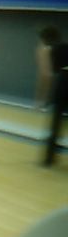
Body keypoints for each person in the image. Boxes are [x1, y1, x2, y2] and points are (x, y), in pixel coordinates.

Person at [41, 26, 68, 166]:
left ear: (48, 38)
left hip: (63, 84)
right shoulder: (66, 46)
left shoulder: (54, 50)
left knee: (55, 125)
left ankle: (48, 160)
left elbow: (55, 70)